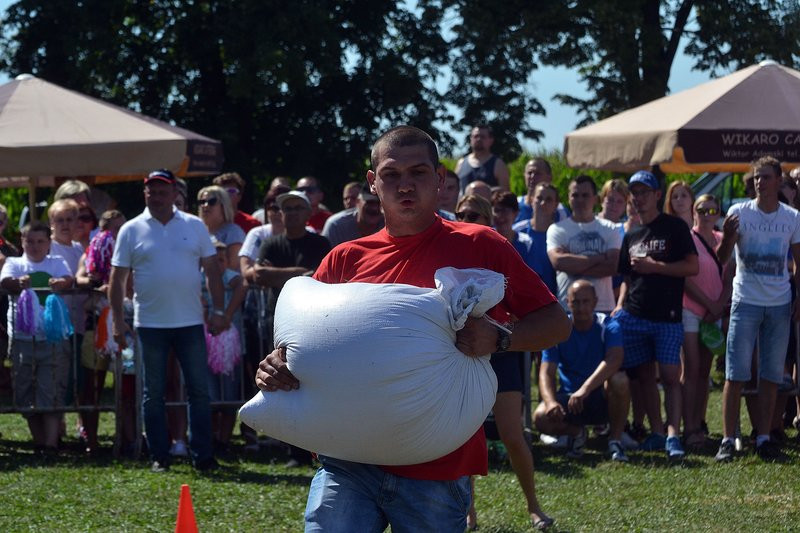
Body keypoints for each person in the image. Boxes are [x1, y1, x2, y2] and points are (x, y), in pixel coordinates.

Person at [255, 125, 571, 532]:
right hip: (347, 462)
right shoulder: (343, 259)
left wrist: (499, 338)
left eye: (418, 172)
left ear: (439, 178)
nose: (405, 185)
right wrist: (276, 365)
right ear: (373, 182)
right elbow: (303, 344)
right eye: (391, 174)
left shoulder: (481, 245)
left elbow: (556, 323)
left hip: (437, 467)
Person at [110, 168, 226, 472]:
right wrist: (118, 321)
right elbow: (117, 279)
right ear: (145, 193)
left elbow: (212, 270)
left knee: (199, 391)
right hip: (149, 324)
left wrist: (218, 311)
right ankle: (159, 455)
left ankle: (203, 456)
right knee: (153, 394)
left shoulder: (194, 225)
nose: (157, 196)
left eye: (163, 191)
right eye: (152, 191)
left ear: (175, 193)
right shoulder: (131, 229)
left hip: (190, 322)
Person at [461, 190, 551, 531]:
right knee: (466, 436)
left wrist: (510, 327)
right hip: (463, 353)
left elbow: (531, 303)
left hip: (501, 350)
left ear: (488, 220)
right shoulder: (450, 255)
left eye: (473, 215)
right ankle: (469, 512)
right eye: (461, 215)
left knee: (512, 435)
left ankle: (534, 506)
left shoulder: (502, 252)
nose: (466, 221)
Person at [714, 156, 800, 462]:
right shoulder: (739, 212)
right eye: (756, 177)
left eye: (765, 176)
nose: (759, 182)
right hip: (745, 302)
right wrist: (727, 237)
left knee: (771, 375)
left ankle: (763, 437)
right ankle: (727, 439)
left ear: (778, 180)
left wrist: (798, 298)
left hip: (779, 304)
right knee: (735, 373)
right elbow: (722, 258)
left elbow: (798, 262)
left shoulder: (792, 217)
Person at [613, 170, 698, 460]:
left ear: (657, 195)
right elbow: (626, 277)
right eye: (635, 193)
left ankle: (674, 436)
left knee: (671, 376)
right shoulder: (631, 234)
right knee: (644, 376)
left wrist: (655, 267)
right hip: (635, 313)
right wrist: (620, 304)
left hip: (667, 316)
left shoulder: (674, 227)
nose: (639, 198)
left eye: (644, 192)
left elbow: (692, 267)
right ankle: (657, 433)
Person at [252, 190, 331, 467]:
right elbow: (259, 275)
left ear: (309, 213)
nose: (293, 213)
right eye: (287, 208)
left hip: (314, 322)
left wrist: (280, 274)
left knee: (311, 382)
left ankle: (316, 447)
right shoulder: (271, 243)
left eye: (299, 208)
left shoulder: (320, 243)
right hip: (277, 323)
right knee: (282, 381)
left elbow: (323, 277)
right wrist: (301, 273)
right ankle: (292, 450)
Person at [534, 280, 630, 462]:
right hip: (569, 399)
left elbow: (614, 360)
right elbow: (546, 372)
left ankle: (615, 440)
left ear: (595, 302)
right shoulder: (558, 330)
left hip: (600, 396)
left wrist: (585, 390)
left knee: (620, 381)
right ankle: (577, 433)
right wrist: (551, 403)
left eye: (586, 301)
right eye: (576, 302)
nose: (581, 307)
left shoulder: (609, 325)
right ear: (567, 303)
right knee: (540, 417)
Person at [1, 221, 73, 453]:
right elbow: (4, 281)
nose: (35, 246)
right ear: (22, 242)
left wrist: (62, 282)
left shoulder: (56, 262)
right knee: (24, 390)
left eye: (40, 241)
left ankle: (51, 444)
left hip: (52, 339)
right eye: (30, 241)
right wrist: (16, 283)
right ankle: (39, 442)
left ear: (48, 243)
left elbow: (68, 279)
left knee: (51, 389)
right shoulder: (14, 263)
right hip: (22, 339)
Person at [74, 209, 127, 453]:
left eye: (122, 228)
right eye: (114, 228)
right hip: (96, 325)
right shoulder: (91, 252)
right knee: (92, 385)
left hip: (125, 323)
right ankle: (91, 439)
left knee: (127, 385)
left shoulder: (130, 252)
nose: (118, 233)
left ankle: (127, 437)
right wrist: (96, 282)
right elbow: (80, 277)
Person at [680, 194, 729, 450]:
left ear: (719, 213)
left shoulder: (723, 239)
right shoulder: (687, 239)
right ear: (694, 212)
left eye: (712, 210)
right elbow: (685, 280)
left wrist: (718, 306)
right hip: (691, 309)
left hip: (714, 313)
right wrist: (711, 305)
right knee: (691, 369)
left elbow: (730, 275)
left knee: (704, 373)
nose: (707, 215)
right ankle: (687, 427)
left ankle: (698, 423)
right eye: (702, 210)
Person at [547, 175, 621, 313]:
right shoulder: (556, 229)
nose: (580, 200)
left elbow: (613, 267)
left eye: (585, 195)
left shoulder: (610, 228)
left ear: (595, 198)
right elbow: (558, 262)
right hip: (568, 308)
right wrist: (600, 258)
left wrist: (572, 267)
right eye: (575, 195)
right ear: (568, 198)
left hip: (602, 308)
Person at [202, 240, 247, 454]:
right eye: (212, 260)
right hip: (207, 346)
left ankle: (224, 440)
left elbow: (243, 284)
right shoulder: (199, 279)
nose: (216, 265)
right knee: (210, 394)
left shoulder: (230, 277)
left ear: (227, 262)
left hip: (230, 347)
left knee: (229, 395)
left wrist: (226, 315)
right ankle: (210, 438)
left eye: (221, 260)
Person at [512, 183, 559, 296]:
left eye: (548, 199)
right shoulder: (517, 230)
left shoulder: (561, 233)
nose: (543, 203)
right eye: (539, 198)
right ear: (532, 201)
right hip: (524, 297)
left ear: (556, 205)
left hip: (554, 299)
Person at [197, 185, 245, 272]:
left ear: (223, 206)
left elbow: (232, 268)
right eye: (202, 202)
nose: (205, 205)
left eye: (211, 202)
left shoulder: (233, 232)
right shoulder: (197, 232)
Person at [455, 124, 510, 193]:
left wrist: (483, 192)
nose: (479, 139)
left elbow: (505, 192)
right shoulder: (461, 163)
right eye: (476, 136)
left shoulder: (498, 164)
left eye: (482, 137)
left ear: (491, 140)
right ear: (471, 139)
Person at [516, 158, 569, 224]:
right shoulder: (513, 206)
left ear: (549, 177)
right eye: (529, 173)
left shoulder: (561, 211)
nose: (532, 176)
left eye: (537, 173)